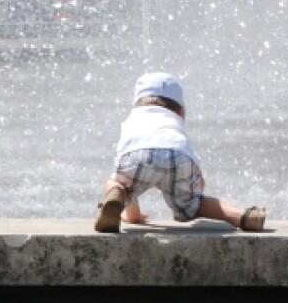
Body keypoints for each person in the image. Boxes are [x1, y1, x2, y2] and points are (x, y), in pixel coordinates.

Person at [94, 72, 266, 233]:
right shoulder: (173, 123)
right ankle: (244, 216)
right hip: (179, 155)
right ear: (181, 112)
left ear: (137, 103)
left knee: (117, 184)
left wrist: (133, 215)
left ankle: (114, 198)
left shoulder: (133, 119)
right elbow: (197, 175)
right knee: (196, 205)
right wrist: (195, 189)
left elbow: (127, 169)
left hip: (137, 154)